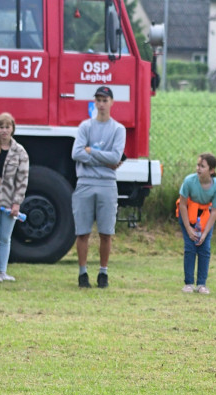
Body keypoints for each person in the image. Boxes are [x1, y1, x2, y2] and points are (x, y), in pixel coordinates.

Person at [72, 85, 125, 289]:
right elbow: (76, 153)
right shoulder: (85, 126)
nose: (101, 104)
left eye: (105, 100)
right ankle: (82, 273)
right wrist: (103, 159)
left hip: (106, 183)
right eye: (98, 100)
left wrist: (91, 152)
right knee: (83, 231)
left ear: (111, 102)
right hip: (85, 181)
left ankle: (103, 272)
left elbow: (116, 157)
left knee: (106, 232)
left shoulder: (118, 129)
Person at [177, 153, 216, 294]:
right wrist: (188, 228)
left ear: (211, 170)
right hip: (188, 216)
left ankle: (201, 284)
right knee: (190, 247)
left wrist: (204, 233)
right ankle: (188, 284)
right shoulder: (189, 181)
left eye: (202, 166)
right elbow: (182, 205)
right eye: (198, 165)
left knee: (204, 249)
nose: (198, 168)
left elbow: (215, 212)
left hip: (205, 218)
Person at [0, 112, 28, 282]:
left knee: (5, 237)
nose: (4, 130)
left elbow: (22, 179)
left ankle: (2, 271)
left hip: (9, 198)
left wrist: (17, 203)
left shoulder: (20, 152)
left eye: (7, 127)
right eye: (1, 127)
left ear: (12, 129)